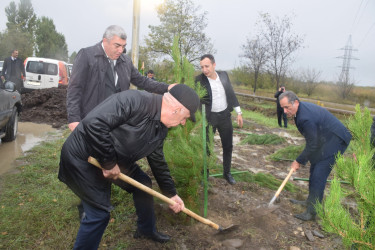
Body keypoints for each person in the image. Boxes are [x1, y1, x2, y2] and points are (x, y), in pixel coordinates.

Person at [59, 84, 200, 249]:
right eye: (185, 118)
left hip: (114, 160)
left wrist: (171, 194)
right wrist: (109, 163)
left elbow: (157, 160)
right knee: (98, 214)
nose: (183, 123)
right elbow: (94, 123)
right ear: (176, 109)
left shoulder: (160, 128)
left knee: (143, 184)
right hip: (84, 157)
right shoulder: (134, 101)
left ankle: (146, 230)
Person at [66, 25, 175, 220]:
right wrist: (74, 119)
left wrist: (167, 87)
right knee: (90, 165)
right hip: (92, 122)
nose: (121, 50)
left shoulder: (124, 61)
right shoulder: (87, 56)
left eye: (124, 46)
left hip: (116, 124)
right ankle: (87, 207)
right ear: (105, 41)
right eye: (117, 45)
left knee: (107, 160)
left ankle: (101, 201)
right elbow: (75, 89)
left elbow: (143, 81)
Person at [279, 91, 352, 221]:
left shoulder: (305, 118)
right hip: (325, 138)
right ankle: (310, 202)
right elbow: (313, 141)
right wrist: (306, 159)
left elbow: (313, 144)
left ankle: (312, 212)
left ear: (295, 102)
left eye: (287, 108)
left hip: (336, 140)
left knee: (319, 173)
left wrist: (299, 161)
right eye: (282, 108)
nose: (284, 111)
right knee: (314, 167)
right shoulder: (299, 111)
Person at [195, 54, 243, 185]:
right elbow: (195, 99)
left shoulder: (223, 76)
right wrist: (198, 117)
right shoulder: (199, 80)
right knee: (207, 148)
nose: (204, 70)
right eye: (202, 67)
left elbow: (231, 93)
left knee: (228, 146)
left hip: (225, 117)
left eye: (207, 66)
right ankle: (205, 175)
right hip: (209, 118)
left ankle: (227, 173)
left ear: (214, 65)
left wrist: (239, 112)